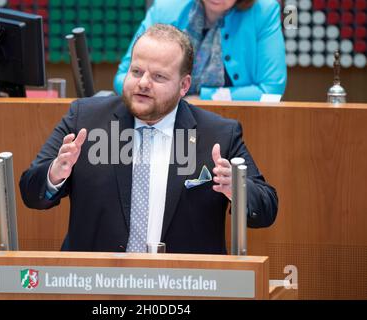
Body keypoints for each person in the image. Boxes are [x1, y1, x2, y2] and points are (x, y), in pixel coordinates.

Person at [20, 24, 278, 254]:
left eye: (158, 77)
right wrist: (55, 173)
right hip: (95, 283)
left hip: (184, 288)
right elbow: (32, 193)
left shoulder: (218, 135)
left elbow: (266, 208)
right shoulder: (85, 120)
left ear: (184, 85)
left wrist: (237, 188)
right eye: (136, 71)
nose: (143, 83)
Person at [113, 0, 287, 101]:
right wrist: (165, 98)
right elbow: (123, 77)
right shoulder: (165, 8)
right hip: (164, 120)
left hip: (239, 123)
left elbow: (270, 90)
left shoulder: (264, 10)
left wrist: (203, 98)